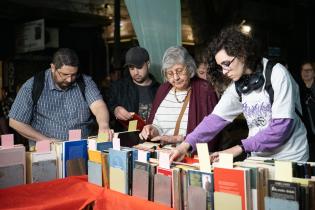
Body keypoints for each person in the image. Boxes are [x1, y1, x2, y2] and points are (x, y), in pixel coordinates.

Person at [170, 26, 309, 162]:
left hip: (290, 157)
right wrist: (185, 145)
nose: (224, 71)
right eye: (221, 67)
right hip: (258, 158)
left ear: (242, 53)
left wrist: (239, 148)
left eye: (226, 63)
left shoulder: (276, 73)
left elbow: (281, 128)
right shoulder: (237, 86)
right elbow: (214, 120)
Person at [9, 48, 113, 148]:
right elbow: (15, 121)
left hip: (81, 149)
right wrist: (45, 140)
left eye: (73, 75)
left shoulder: (85, 82)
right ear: (53, 68)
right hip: (47, 152)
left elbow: (98, 105)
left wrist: (104, 125)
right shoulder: (33, 85)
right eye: (65, 74)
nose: (69, 79)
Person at [139, 46, 219, 149]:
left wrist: (179, 139)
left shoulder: (204, 90)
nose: (176, 77)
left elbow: (212, 131)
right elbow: (157, 126)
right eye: (170, 73)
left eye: (179, 71)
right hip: (163, 155)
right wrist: (151, 130)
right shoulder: (163, 90)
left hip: (188, 157)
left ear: (189, 68)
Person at [107, 46, 160, 132]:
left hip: (153, 141)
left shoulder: (160, 90)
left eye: (139, 67)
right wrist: (115, 110)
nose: (135, 72)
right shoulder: (118, 88)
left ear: (148, 64)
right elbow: (108, 107)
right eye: (131, 68)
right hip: (127, 141)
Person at [299, 61, 315, 161]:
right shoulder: (298, 90)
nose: (305, 72)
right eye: (303, 70)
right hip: (305, 136)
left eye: (308, 70)